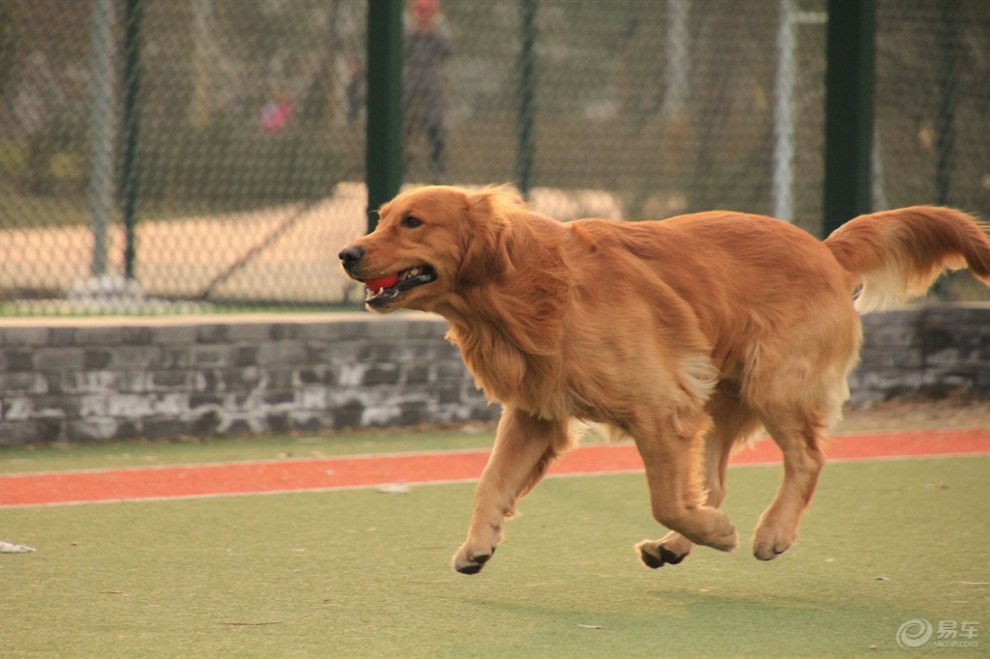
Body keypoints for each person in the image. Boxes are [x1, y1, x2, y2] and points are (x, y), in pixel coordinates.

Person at [403, 0, 450, 181]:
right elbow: (402, 50)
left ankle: (438, 171)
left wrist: (430, 32)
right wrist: (416, 32)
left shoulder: (439, 28)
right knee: (406, 126)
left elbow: (446, 51)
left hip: (432, 83)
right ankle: (403, 166)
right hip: (410, 82)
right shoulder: (407, 28)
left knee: (435, 127)